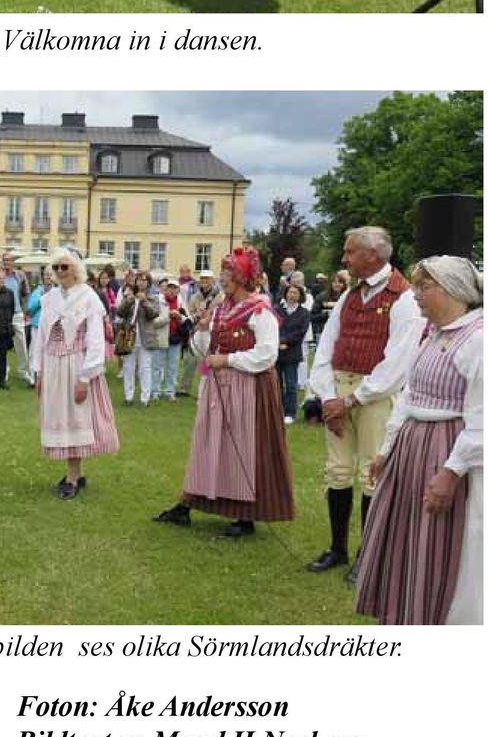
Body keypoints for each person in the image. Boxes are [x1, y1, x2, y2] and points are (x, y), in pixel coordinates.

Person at [356, 256, 482, 626]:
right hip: (413, 450)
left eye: (424, 287)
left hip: (446, 451)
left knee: (440, 541)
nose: (416, 295)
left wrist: (451, 471)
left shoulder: (477, 340)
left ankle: (433, 616)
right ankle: (405, 611)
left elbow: (481, 418)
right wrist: (386, 448)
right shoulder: (433, 335)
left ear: (453, 290)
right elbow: (410, 396)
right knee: (406, 538)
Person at [307, 226, 426, 579]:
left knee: (371, 474)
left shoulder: (404, 298)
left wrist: (352, 399)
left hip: (374, 396)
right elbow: (327, 345)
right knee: (338, 471)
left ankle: (368, 556)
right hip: (341, 389)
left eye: (349, 252)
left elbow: (398, 363)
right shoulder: (349, 295)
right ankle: (338, 549)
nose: (344, 258)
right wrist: (328, 396)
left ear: (373, 254)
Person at [153, 246, 294, 538]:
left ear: (243, 277)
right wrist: (204, 329)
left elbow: (267, 355)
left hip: (249, 388)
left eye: (228, 273)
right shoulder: (221, 308)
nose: (223, 278)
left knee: (242, 447)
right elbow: (203, 351)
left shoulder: (260, 309)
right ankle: (187, 504)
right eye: (223, 273)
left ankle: (245, 516)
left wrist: (228, 360)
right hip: (219, 388)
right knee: (207, 444)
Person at [30, 247, 119, 499]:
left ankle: (72, 475)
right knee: (60, 416)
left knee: (76, 416)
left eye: (65, 266)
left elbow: (95, 340)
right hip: (53, 364)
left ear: (76, 268)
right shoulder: (49, 298)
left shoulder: (88, 297)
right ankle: (75, 473)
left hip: (77, 363)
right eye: (56, 267)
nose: (60, 272)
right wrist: (39, 372)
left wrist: (85, 377)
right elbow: (40, 339)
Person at [116, 270, 166, 407]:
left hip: (146, 338)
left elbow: (154, 314)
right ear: (136, 282)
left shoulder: (153, 298)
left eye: (145, 280)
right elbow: (119, 312)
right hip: (129, 337)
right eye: (139, 280)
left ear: (149, 283)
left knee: (145, 368)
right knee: (128, 367)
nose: (142, 282)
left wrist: (144, 302)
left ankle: (145, 398)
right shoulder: (128, 295)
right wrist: (128, 301)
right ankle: (128, 397)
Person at [276, 280, 311, 424]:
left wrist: (285, 342)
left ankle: (290, 412)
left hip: (292, 352)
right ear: (285, 294)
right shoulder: (277, 309)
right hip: (277, 351)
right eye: (290, 292)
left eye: (295, 292)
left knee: (291, 384)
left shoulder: (304, 313)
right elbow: (273, 327)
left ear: (300, 295)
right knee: (277, 383)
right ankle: (277, 410)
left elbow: (300, 332)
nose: (292, 295)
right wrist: (278, 342)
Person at [0, 250, 32, 386]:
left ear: (13, 262)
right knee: (3, 345)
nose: (7, 262)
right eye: (4, 260)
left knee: (21, 344)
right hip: (2, 315)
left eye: (9, 260)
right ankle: (4, 370)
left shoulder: (19, 275)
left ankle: (24, 371)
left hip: (17, 313)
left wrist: (25, 311)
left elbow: (26, 293)